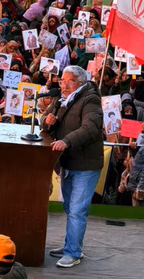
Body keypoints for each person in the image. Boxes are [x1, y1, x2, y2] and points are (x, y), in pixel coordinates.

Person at [41, 65, 103, 268]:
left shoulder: (90, 99)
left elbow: (91, 128)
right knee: (70, 208)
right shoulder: (60, 99)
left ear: (81, 82)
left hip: (85, 164)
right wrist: (47, 120)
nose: (65, 84)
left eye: (70, 81)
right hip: (67, 162)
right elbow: (44, 121)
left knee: (77, 210)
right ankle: (71, 245)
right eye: (62, 80)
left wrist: (66, 141)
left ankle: (73, 253)